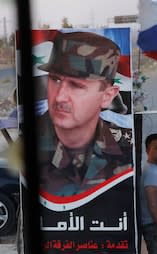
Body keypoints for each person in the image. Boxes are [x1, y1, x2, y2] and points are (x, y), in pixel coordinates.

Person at [36, 31, 132, 196]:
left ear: (107, 96)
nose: (59, 96)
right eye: (55, 79)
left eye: (76, 85)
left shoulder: (128, 148)